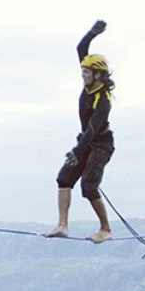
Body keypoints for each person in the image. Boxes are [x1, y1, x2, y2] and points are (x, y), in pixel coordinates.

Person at [44, 19, 115, 244]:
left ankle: (105, 229)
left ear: (98, 75)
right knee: (64, 178)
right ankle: (62, 225)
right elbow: (81, 49)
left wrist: (77, 151)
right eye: (83, 70)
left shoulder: (103, 100)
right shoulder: (89, 84)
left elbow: (93, 130)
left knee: (88, 186)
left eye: (87, 72)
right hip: (85, 141)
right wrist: (92, 33)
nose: (82, 74)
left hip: (101, 144)